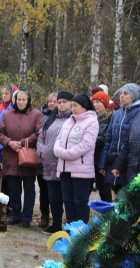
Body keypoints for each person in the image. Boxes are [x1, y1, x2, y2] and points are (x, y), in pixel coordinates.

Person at [0, 91, 42, 227]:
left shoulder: (36, 114)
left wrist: (23, 142)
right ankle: (15, 214)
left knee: (29, 188)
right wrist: (9, 142)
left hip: (28, 156)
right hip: (11, 157)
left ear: (28, 101)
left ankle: (26, 217)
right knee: (14, 188)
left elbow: (39, 132)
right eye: (19, 99)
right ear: (14, 100)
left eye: (24, 100)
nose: (21, 102)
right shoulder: (7, 114)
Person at [54, 94, 99, 224]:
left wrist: (66, 154)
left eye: (75, 106)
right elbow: (58, 139)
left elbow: (86, 145)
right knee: (67, 201)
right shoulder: (69, 121)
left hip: (81, 171)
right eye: (72, 105)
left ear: (84, 106)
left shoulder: (91, 121)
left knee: (80, 202)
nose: (72, 108)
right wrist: (59, 151)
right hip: (65, 169)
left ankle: (80, 234)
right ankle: (70, 231)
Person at [37, 91, 73, 234]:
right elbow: (41, 136)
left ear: (71, 103)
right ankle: (56, 224)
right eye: (59, 102)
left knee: (68, 197)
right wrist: (42, 151)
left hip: (67, 164)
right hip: (50, 163)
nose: (61, 104)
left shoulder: (73, 120)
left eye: (64, 102)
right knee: (54, 197)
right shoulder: (51, 119)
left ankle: (70, 226)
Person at [99, 84, 140, 193]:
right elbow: (108, 140)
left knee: (131, 197)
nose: (121, 96)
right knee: (118, 197)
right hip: (114, 162)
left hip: (131, 163)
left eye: (125, 93)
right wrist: (103, 163)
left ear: (134, 95)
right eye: (121, 94)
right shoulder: (116, 114)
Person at [37, 92, 58, 228]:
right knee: (43, 190)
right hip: (43, 158)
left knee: (55, 192)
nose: (52, 104)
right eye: (50, 101)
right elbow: (39, 134)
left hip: (56, 159)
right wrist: (42, 150)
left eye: (55, 101)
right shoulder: (41, 115)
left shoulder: (63, 117)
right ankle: (44, 216)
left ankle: (56, 217)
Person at [91, 91, 114, 202]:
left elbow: (107, 138)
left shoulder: (110, 118)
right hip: (90, 158)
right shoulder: (90, 118)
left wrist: (89, 139)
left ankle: (108, 215)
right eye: (93, 102)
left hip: (103, 158)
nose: (95, 104)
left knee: (104, 190)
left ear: (105, 103)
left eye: (98, 102)